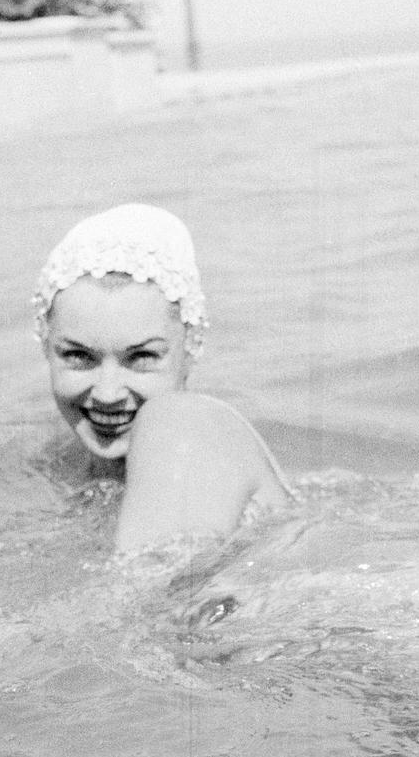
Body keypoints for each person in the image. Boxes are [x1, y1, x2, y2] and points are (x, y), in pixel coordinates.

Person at [34, 203, 291, 555]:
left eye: (141, 357)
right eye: (79, 356)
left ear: (191, 347)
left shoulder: (181, 424)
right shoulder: (62, 463)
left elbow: (148, 602)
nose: (108, 393)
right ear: (46, 347)